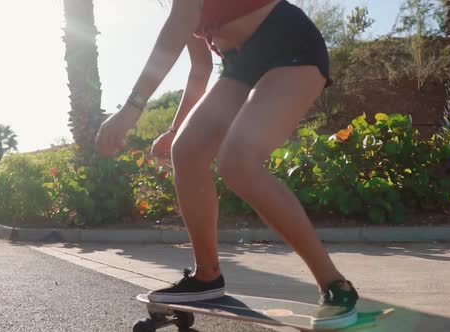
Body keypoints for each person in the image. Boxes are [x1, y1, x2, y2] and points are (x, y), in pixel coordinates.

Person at [96, 0, 359, 329]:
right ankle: (207, 276)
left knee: (238, 162)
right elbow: (200, 70)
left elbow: (170, 38)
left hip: (290, 45)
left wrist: (131, 108)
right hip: (242, 63)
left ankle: (335, 285)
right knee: (187, 151)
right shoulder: (190, 12)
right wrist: (175, 129)